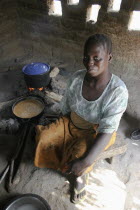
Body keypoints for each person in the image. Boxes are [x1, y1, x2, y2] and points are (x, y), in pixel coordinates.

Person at [34, 34, 128, 203]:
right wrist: (59, 128)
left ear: (109, 58)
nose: (89, 62)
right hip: (71, 121)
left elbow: (107, 130)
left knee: (79, 157)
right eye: (86, 57)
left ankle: (80, 179)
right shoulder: (77, 78)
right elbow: (66, 106)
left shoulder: (117, 92)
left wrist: (86, 161)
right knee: (43, 137)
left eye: (96, 58)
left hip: (97, 131)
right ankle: (63, 164)